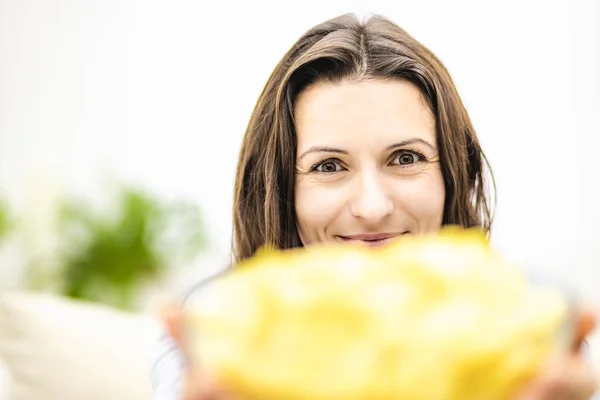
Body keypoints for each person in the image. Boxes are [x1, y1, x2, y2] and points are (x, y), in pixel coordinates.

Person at [150, 13, 598, 400]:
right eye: (328, 165)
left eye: (406, 158)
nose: (372, 206)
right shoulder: (210, 346)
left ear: (452, 175)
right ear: (280, 187)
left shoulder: (533, 336)